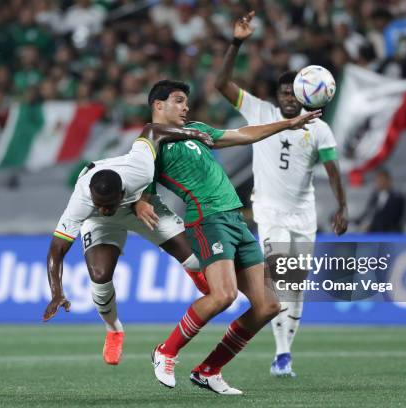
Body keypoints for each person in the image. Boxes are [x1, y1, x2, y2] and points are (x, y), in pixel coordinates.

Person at [144, 79, 322, 395]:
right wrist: (141, 200)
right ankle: (166, 351)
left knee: (269, 305)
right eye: (179, 100)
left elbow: (243, 134)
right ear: (158, 105)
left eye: (186, 101)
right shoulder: (151, 142)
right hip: (206, 220)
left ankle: (209, 370)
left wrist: (288, 124)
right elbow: (138, 177)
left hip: (235, 220)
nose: (186, 107)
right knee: (223, 295)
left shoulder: (197, 130)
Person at [214, 11, 348, 378]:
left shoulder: (318, 128)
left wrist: (342, 207)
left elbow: (333, 170)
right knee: (278, 277)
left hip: (303, 214)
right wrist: (237, 42)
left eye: (294, 93)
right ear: (277, 96)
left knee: (296, 286)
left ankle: (283, 353)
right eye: (284, 93)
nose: (289, 98)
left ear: (305, 95)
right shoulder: (260, 112)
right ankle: (281, 354)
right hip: (269, 211)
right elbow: (221, 84)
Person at [42, 123, 214, 366]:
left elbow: (153, 130)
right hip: (99, 224)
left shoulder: (139, 170)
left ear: (122, 193)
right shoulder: (82, 202)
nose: (104, 208)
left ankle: (195, 272)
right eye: (98, 203)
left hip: (139, 209)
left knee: (196, 259)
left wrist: (193, 133)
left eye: (108, 204)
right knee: (100, 277)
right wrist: (57, 293)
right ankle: (114, 330)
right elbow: (57, 249)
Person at [356, 168, 405, 232]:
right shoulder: (375, 196)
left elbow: (392, 218)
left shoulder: (397, 197)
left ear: (389, 181)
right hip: (371, 229)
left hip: (388, 231)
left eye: (382, 180)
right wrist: (358, 222)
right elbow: (367, 212)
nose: (380, 183)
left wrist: (371, 225)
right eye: (378, 180)